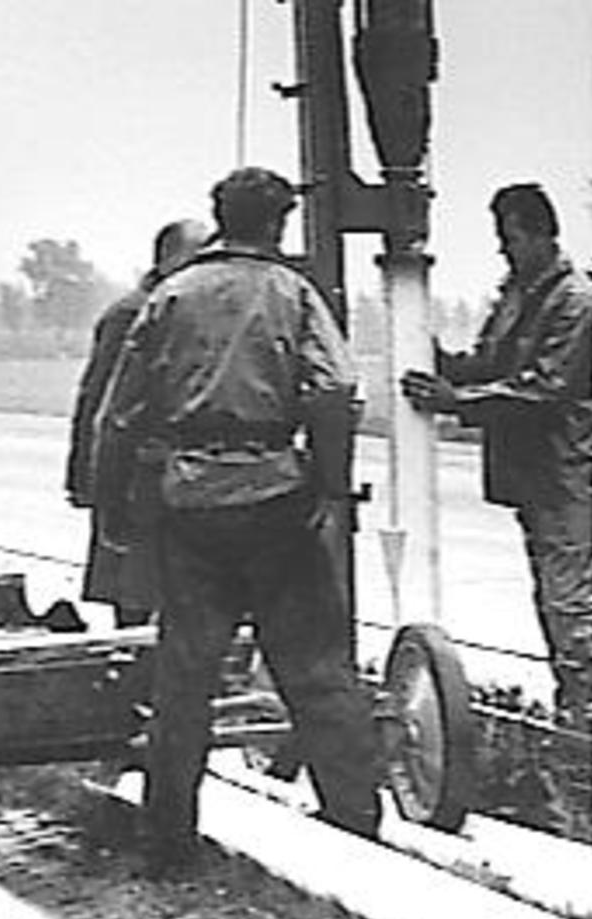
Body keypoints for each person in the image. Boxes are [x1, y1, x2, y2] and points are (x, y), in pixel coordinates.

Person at [97, 167, 382, 873]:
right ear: (278, 223)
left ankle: (168, 843)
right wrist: (329, 485)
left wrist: (113, 512)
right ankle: (357, 829)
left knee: (184, 676)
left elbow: (118, 417)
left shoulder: (170, 296)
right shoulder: (293, 293)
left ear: (220, 217)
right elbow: (336, 388)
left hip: (189, 501)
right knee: (315, 667)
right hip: (275, 498)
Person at [401, 183, 592, 725]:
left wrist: (455, 401)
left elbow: (545, 388)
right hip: (537, 476)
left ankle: (584, 721)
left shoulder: (574, 301)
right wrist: (433, 356)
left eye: (510, 237)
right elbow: (490, 364)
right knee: (555, 598)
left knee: (571, 603)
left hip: (568, 474)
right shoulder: (521, 294)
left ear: (539, 234)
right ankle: (574, 711)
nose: (503, 249)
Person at [65, 219, 211, 627]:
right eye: (195, 258)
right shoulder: (132, 313)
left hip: (177, 472)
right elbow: (98, 397)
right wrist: (87, 477)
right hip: (134, 471)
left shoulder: (186, 308)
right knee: (134, 588)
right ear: (166, 260)